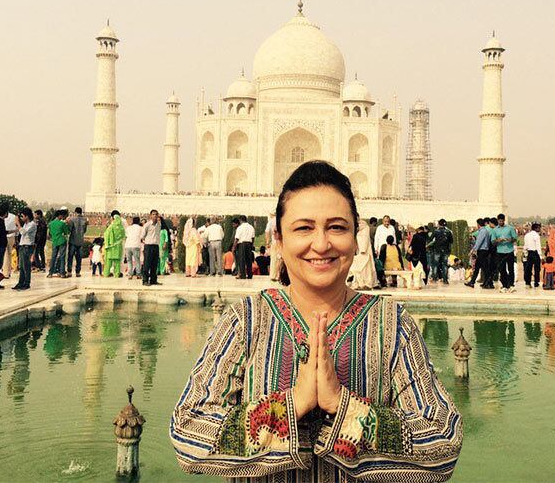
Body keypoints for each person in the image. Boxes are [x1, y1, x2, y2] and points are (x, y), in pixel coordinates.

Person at [170, 160, 462, 481]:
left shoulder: (391, 324)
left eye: (337, 227)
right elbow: (187, 433)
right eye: (304, 228)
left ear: (355, 237)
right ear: (279, 240)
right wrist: (292, 405)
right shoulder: (247, 320)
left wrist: (344, 407)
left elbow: (444, 442)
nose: (321, 244)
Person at [348, 219, 378, 289]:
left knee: (365, 268)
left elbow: (365, 238)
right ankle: (359, 283)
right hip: (359, 251)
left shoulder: (364, 227)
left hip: (364, 251)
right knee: (358, 269)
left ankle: (366, 284)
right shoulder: (355, 226)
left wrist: (363, 249)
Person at [493, 214, 517, 292]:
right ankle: (505, 285)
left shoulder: (510, 228)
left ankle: (511, 285)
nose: (500, 222)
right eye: (499, 221)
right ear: (497, 220)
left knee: (511, 269)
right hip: (500, 251)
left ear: (504, 220)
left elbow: (515, 239)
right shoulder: (495, 230)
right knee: (502, 270)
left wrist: (510, 240)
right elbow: (493, 241)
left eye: (502, 221)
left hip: (509, 251)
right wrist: (498, 240)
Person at [465, 218, 493, 289]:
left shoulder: (482, 231)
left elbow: (479, 242)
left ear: (478, 224)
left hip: (482, 251)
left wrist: (472, 250)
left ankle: (489, 283)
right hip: (483, 251)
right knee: (478, 267)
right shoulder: (484, 231)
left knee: (485, 269)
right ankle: (473, 282)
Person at [13, 208, 36, 290]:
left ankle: (27, 283)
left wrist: (18, 224)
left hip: (27, 247)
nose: (21, 218)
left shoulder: (32, 224)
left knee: (26, 266)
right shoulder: (26, 224)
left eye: (22, 216)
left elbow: (23, 232)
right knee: (21, 266)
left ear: (27, 216)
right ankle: (20, 282)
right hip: (22, 246)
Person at [141, 209, 161, 286]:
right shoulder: (147, 225)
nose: (155, 216)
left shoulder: (159, 224)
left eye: (156, 214)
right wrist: (146, 242)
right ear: (150, 216)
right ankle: (145, 280)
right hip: (148, 246)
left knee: (154, 264)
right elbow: (142, 236)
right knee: (147, 264)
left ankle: (153, 280)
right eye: (153, 214)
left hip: (156, 246)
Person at [429, 219, 452, 284]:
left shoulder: (436, 231)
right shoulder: (448, 232)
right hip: (445, 251)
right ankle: (445, 280)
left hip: (437, 250)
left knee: (435, 264)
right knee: (445, 265)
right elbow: (451, 241)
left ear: (439, 224)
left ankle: (434, 279)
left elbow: (430, 239)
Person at [47, 210, 70, 278]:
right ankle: (62, 273)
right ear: (59, 215)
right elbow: (67, 232)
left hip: (54, 241)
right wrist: (67, 224)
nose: (63, 217)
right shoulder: (62, 224)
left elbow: (50, 234)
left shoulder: (51, 223)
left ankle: (50, 273)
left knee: (53, 257)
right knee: (62, 257)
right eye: (62, 216)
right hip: (62, 241)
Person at [66, 207, 88, 278]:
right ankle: (78, 272)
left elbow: (69, 230)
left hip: (73, 240)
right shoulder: (84, 220)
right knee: (79, 258)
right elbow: (84, 231)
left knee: (70, 257)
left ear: (75, 212)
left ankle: (69, 271)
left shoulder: (72, 219)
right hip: (80, 241)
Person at [103, 210, 125, 278]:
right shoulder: (121, 227)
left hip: (110, 247)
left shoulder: (111, 226)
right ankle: (117, 274)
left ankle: (106, 274)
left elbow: (106, 235)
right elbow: (124, 236)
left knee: (108, 262)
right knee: (117, 262)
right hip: (118, 247)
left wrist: (107, 244)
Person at [234, 215, 255, 280]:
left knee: (242, 260)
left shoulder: (240, 228)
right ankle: (249, 275)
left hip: (242, 244)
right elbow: (253, 237)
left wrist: (234, 247)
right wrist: (252, 244)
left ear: (240, 220)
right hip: (249, 244)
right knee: (249, 260)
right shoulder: (251, 227)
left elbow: (237, 238)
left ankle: (242, 275)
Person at [523, 222, 542, 288]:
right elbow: (538, 246)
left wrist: (525, 254)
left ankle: (528, 283)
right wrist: (540, 256)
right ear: (536, 228)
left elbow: (525, 246)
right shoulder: (536, 236)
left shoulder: (527, 235)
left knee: (528, 268)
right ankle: (536, 283)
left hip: (529, 253)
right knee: (537, 269)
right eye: (539, 228)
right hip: (535, 253)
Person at [265, 212, 282, 282]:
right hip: (281, 241)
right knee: (280, 258)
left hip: (274, 241)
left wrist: (267, 242)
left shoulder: (271, 221)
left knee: (273, 258)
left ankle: (273, 275)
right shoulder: (281, 219)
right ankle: (279, 275)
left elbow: (267, 232)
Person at [2, 207, 17, 278]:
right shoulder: (14, 216)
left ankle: (5, 273)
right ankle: (8, 272)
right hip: (12, 236)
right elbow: (16, 227)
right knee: (9, 254)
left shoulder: (2, 217)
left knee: (6, 255)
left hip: (5, 236)